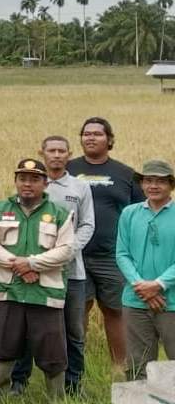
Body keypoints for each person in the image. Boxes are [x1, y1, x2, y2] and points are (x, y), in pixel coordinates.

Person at [0, 159, 75, 399]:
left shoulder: (60, 214)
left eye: (34, 179)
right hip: (9, 289)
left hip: (45, 291)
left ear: (45, 183)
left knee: (52, 350)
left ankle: (57, 402)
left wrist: (33, 263)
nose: (27, 184)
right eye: (22, 179)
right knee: (3, 346)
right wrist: (19, 265)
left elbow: (65, 250)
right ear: (15, 181)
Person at [12, 136, 95, 396]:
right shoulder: (29, 182)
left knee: (74, 332)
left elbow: (87, 225)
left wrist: (65, 253)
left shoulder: (80, 187)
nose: (56, 155)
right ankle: (18, 382)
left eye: (61, 151)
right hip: (30, 274)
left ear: (70, 154)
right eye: (51, 150)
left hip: (71, 273)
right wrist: (30, 264)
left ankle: (73, 385)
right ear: (43, 153)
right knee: (26, 331)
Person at [68, 117, 142, 375]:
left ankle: (119, 367)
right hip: (74, 255)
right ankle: (76, 368)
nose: (91, 138)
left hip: (112, 255)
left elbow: (141, 213)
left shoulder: (127, 174)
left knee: (115, 310)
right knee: (78, 311)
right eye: (86, 133)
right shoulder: (67, 169)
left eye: (98, 134)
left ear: (109, 140)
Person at [115, 159, 175, 380]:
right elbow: (122, 253)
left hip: (171, 300)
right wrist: (141, 287)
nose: (153, 186)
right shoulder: (130, 213)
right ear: (141, 185)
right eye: (148, 180)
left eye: (160, 181)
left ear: (171, 185)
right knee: (138, 363)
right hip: (135, 299)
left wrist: (158, 285)